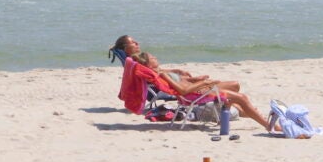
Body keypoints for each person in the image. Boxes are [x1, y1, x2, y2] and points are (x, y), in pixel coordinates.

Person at [131, 52, 273, 131]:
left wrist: (195, 79)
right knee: (242, 97)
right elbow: (183, 90)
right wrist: (203, 83)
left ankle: (239, 110)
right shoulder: (162, 75)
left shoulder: (161, 72)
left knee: (235, 86)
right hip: (196, 95)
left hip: (198, 90)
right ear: (148, 64)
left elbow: (183, 83)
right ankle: (267, 125)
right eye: (152, 58)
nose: (156, 57)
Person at [111, 35, 241, 92]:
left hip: (173, 83)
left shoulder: (131, 62)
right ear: (125, 48)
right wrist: (189, 79)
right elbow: (158, 76)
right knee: (234, 86)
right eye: (133, 42)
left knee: (231, 90)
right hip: (174, 88)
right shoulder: (136, 62)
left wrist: (178, 73)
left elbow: (156, 74)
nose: (137, 43)